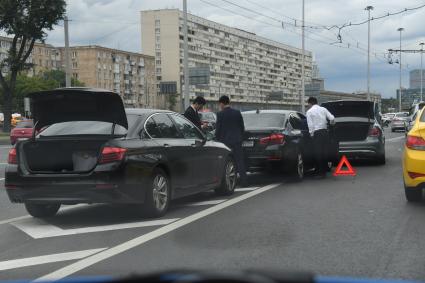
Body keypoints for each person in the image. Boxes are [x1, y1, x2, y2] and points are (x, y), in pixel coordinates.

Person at [215, 95, 247, 186]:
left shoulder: (220, 114)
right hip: (237, 140)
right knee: (240, 161)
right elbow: (242, 127)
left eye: (219, 104)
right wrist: (241, 137)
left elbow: (218, 130)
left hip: (225, 142)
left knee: (226, 162)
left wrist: (217, 140)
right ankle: (244, 181)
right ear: (228, 102)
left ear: (221, 103)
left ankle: (229, 182)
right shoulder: (237, 113)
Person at [306, 97, 335, 178]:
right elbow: (332, 118)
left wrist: (311, 134)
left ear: (310, 103)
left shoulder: (309, 112)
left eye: (308, 104)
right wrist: (332, 124)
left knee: (318, 153)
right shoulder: (323, 109)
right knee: (325, 152)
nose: (308, 105)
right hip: (325, 132)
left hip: (317, 133)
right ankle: (324, 170)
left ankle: (320, 172)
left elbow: (310, 125)